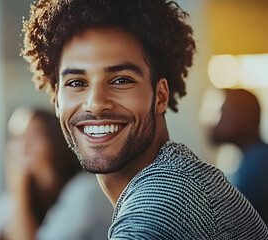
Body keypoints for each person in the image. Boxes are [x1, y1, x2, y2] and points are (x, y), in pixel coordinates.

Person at [21, 0, 268, 239]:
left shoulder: (164, 204)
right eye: (77, 83)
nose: (95, 103)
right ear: (56, 102)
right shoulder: (175, 178)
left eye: (121, 80)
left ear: (160, 96)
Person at [0, 107, 112, 240]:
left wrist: (19, 191)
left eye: (34, 135)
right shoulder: (26, 186)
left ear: (55, 140)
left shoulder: (85, 191)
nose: (23, 145)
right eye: (16, 137)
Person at [210, 88, 268, 225]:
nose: (218, 120)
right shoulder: (255, 158)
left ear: (245, 116)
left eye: (223, 111)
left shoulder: (259, 164)